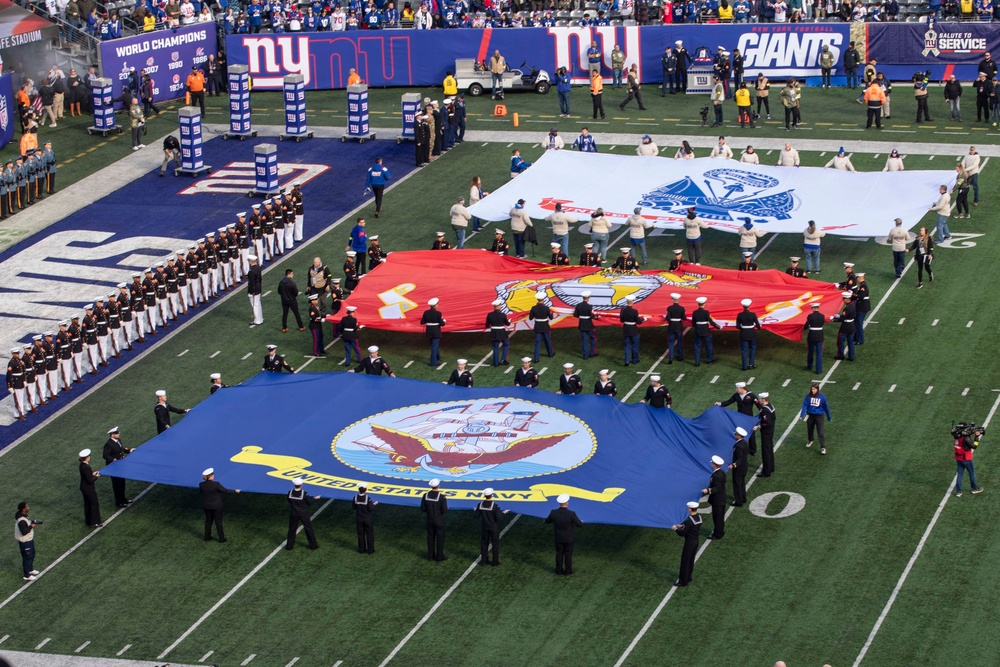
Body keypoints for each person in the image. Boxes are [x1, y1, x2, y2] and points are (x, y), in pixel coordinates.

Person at [544, 493, 583, 575]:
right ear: (567, 503)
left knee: (559, 554)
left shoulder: (553, 512)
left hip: (558, 538)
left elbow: (547, 521)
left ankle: (559, 570)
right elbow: (579, 525)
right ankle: (568, 571)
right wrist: (581, 522)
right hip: (569, 538)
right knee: (568, 555)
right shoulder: (571, 514)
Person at [716, 381, 758, 454]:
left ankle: (753, 450)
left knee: (751, 434)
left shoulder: (751, 396)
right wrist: (720, 404)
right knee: (739, 433)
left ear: (742, 388)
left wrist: (759, 418)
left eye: (737, 388)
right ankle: (739, 447)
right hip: (739, 418)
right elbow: (729, 401)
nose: (736, 389)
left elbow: (759, 406)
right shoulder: (736, 395)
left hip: (748, 418)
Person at [200, 468, 240, 542]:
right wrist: (235, 491)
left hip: (207, 506)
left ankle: (207, 537)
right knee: (218, 522)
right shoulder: (216, 484)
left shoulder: (201, 485)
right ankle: (221, 539)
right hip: (216, 506)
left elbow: (201, 493)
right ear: (211, 476)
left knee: (208, 521)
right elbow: (225, 491)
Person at [474, 488, 510, 566]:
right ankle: (495, 562)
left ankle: (484, 561)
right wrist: (504, 513)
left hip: (484, 527)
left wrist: (476, 510)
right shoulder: (495, 506)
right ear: (492, 495)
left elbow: (477, 515)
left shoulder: (480, 504)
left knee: (484, 543)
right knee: (495, 544)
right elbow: (499, 518)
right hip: (493, 528)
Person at [672, 501, 702, 586]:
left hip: (689, 543)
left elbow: (683, 533)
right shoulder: (699, 517)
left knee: (685, 561)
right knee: (691, 560)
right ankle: (688, 577)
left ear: (690, 509)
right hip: (696, 541)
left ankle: (683, 581)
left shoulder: (689, 521)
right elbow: (691, 527)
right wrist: (681, 526)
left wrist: (675, 529)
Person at [102, 427, 133, 508]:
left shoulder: (118, 440)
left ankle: (123, 499)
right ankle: (119, 502)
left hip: (120, 465)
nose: (118, 434)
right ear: (112, 435)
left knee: (122, 483)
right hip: (114, 467)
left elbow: (121, 449)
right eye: (116, 433)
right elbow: (105, 455)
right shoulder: (108, 444)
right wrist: (113, 459)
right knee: (117, 485)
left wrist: (129, 450)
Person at [285, 478, 320, 550]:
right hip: (303, 513)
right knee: (308, 528)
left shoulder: (290, 492)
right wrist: (315, 498)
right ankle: (313, 546)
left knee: (292, 529)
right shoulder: (304, 493)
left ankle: (289, 546)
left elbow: (289, 501)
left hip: (293, 513)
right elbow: (309, 502)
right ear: (301, 485)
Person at [799, 383, 831, 455]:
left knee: (820, 432)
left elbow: (826, 408)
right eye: (812, 389)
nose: (812, 390)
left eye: (814, 389)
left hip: (819, 416)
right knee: (810, 429)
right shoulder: (808, 396)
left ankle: (823, 447)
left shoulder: (822, 397)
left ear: (817, 389)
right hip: (810, 415)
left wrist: (829, 417)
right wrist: (801, 415)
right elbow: (805, 405)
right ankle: (810, 440)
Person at [421, 479, 448, 561]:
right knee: (440, 538)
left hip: (429, 520)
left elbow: (423, 508)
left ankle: (430, 556)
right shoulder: (442, 497)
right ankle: (439, 557)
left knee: (430, 537)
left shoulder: (425, 495)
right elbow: (445, 510)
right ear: (438, 485)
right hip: (439, 520)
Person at [954, 428, 984, 497]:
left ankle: (958, 491)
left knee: (960, 474)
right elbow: (974, 446)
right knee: (971, 473)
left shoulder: (956, 436)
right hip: (966, 459)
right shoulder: (965, 439)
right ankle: (974, 488)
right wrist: (976, 437)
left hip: (959, 459)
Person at [702, 455, 727, 539]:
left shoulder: (716, 475)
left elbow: (717, 488)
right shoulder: (722, 472)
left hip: (717, 500)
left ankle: (718, 534)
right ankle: (720, 531)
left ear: (714, 465)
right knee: (720, 517)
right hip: (722, 498)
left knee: (717, 518)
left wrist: (708, 490)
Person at [15, 501, 41, 581]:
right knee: (27, 557)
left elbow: (28, 523)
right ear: (23, 509)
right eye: (27, 506)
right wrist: (32, 526)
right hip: (25, 542)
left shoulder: (24, 516)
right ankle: (26, 575)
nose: (28, 507)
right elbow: (24, 532)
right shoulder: (21, 520)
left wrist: (34, 522)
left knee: (32, 554)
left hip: (29, 540)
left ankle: (30, 569)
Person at [735, 299, 761, 371]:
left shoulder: (740, 315)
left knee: (744, 350)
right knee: (752, 349)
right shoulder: (753, 314)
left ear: (743, 306)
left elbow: (737, 326)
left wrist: (742, 328)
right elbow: (758, 325)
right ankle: (751, 364)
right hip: (752, 333)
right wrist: (758, 328)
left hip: (743, 334)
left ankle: (744, 366)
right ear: (749, 306)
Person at [78, 449, 102, 528]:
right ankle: (94, 522)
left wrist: (92, 474)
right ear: (87, 457)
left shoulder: (82, 465)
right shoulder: (86, 467)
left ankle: (89, 521)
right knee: (94, 503)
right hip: (88, 488)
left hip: (84, 487)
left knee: (88, 504)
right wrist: (96, 477)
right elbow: (89, 480)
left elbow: (87, 476)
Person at [529, 291, 556, 361]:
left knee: (537, 343)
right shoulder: (546, 308)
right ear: (543, 299)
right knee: (547, 340)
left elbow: (530, 318)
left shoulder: (533, 308)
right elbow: (551, 318)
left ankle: (536, 358)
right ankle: (550, 353)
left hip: (537, 326)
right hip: (545, 326)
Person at [276, 269, 304, 333]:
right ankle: (301, 327)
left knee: (285, 314)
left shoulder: (281, 282)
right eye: (292, 274)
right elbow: (296, 293)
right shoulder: (292, 283)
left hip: (284, 301)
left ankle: (284, 328)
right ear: (288, 274)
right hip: (292, 301)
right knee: (296, 314)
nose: (293, 275)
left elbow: (279, 291)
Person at [420, 298, 446, 367]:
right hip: (436, 331)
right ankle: (433, 362)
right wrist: (444, 320)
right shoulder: (438, 313)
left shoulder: (426, 312)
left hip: (429, 331)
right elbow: (442, 324)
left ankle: (438, 357)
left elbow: (422, 322)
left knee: (434, 345)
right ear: (435, 305)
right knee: (434, 346)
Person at [353, 483, 378, 554]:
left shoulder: (355, 498)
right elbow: (370, 508)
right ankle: (370, 550)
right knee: (369, 534)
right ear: (365, 490)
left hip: (359, 518)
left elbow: (354, 507)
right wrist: (375, 504)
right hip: (367, 519)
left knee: (360, 534)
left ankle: (361, 549)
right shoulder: (368, 498)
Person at [620, 294, 644, 366]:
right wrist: (643, 319)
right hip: (633, 330)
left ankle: (626, 360)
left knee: (627, 346)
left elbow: (621, 320)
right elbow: (638, 322)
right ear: (632, 302)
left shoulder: (623, 310)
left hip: (626, 330)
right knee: (635, 345)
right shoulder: (634, 311)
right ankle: (634, 360)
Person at [729, 428, 750, 507]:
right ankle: (743, 497)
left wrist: (734, 465)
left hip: (739, 468)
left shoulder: (738, 446)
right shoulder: (745, 443)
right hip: (744, 466)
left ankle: (738, 501)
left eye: (736, 434)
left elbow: (740, 458)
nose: (735, 435)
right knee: (742, 483)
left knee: (737, 484)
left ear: (739, 435)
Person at [803, 302, 825, 374]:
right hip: (820, 335)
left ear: (812, 308)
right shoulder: (822, 316)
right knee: (819, 353)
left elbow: (806, 326)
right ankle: (819, 370)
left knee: (810, 351)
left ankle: (810, 365)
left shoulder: (810, 316)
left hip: (812, 335)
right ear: (818, 308)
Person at [665, 293, 686, 363]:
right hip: (679, 327)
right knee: (680, 342)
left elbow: (668, 317)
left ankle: (671, 357)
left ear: (673, 300)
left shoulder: (669, 308)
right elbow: (684, 318)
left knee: (671, 342)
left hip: (671, 327)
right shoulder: (682, 308)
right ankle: (680, 356)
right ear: (678, 299)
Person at [853, 273, 870, 345]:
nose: (856, 279)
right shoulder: (862, 285)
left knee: (858, 323)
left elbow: (861, 296)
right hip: (862, 306)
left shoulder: (863, 286)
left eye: (857, 278)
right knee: (857, 322)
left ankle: (860, 339)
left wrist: (853, 294)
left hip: (862, 307)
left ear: (860, 278)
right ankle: (856, 338)